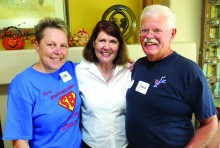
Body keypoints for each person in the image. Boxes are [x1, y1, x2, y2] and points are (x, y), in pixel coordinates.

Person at [126, 4, 218, 147]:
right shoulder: (139, 65)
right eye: (144, 30)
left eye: (157, 30)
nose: (149, 36)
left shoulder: (189, 71)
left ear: (172, 34)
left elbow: (210, 123)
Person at [2, 17, 82, 147]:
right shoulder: (22, 85)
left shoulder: (72, 69)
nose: (58, 52)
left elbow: (101, 66)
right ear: (37, 46)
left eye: (63, 46)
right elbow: (20, 142)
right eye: (51, 45)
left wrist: (123, 62)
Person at [76, 20, 131, 148]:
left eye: (113, 41)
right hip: (91, 144)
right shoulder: (80, 72)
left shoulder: (128, 72)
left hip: (124, 144)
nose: (107, 47)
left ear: (119, 45)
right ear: (94, 42)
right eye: (102, 41)